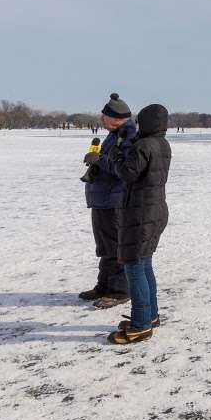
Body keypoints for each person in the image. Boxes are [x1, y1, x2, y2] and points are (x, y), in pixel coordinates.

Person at [106, 103, 171, 344]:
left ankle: (141, 325)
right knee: (144, 264)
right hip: (154, 211)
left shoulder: (145, 144)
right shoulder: (162, 144)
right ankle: (150, 315)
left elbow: (127, 173)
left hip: (140, 214)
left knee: (134, 266)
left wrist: (116, 154)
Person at [80, 93, 136, 308]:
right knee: (104, 246)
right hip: (103, 200)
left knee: (115, 246)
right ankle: (103, 285)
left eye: (104, 116)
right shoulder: (115, 134)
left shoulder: (128, 135)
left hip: (115, 200)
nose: (101, 119)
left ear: (115, 118)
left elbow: (124, 169)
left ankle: (120, 290)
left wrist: (99, 160)